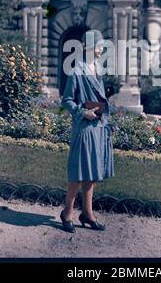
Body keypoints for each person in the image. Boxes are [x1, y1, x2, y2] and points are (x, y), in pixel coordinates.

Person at [60, 29, 114, 232]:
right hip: (84, 129)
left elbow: (100, 99)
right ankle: (67, 213)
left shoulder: (97, 69)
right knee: (77, 173)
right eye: (99, 46)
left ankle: (87, 214)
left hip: (98, 127)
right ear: (89, 47)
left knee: (92, 173)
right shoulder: (77, 71)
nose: (101, 50)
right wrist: (83, 112)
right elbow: (66, 101)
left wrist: (104, 116)